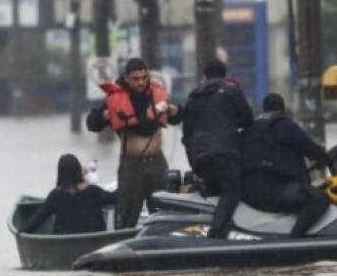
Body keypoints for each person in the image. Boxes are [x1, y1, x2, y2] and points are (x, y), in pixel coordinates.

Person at [86, 58, 183, 229]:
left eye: (144, 78)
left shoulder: (156, 95)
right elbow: (92, 124)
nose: (141, 82)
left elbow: (179, 115)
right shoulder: (117, 98)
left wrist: (170, 109)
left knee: (164, 212)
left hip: (156, 162)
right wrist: (107, 115)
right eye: (136, 79)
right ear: (127, 78)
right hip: (131, 165)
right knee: (127, 216)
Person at [241, 93, 333, 237]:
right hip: (274, 190)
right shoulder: (284, 126)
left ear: (264, 109)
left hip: (247, 192)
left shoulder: (249, 129)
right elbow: (310, 148)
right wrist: (327, 159)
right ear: (283, 110)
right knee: (319, 199)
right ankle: (295, 238)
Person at [182, 59, 253, 239]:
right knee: (232, 191)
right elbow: (247, 119)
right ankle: (217, 234)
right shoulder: (231, 91)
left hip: (200, 156)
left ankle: (209, 230)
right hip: (225, 153)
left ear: (204, 77)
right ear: (224, 75)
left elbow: (186, 134)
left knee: (214, 193)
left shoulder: (192, 97)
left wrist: (193, 162)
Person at [17, 154, 117, 235]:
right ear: (78, 171)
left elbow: (39, 218)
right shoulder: (93, 192)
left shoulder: (56, 195)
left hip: (64, 241)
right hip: (94, 240)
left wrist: (23, 231)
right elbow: (114, 198)